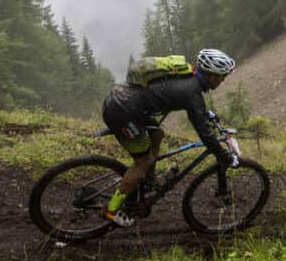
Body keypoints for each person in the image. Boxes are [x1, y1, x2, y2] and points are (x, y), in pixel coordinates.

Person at [100, 47, 239, 226]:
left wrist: (205, 113)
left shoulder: (189, 74)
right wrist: (225, 157)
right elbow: (205, 133)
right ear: (211, 75)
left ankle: (148, 181)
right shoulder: (192, 92)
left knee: (157, 134)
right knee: (143, 161)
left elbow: (189, 101)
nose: (223, 80)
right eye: (222, 76)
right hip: (122, 111)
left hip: (125, 100)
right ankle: (111, 209)